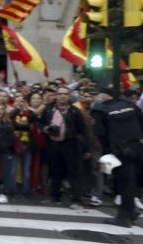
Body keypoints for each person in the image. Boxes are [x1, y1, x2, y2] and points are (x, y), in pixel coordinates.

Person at [91, 87, 143, 227]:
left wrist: (107, 151)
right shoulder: (130, 105)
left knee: (122, 182)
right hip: (137, 147)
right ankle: (131, 210)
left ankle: (123, 217)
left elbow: (99, 133)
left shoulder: (100, 110)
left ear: (103, 96)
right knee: (131, 181)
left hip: (119, 150)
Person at [39, 86, 88, 210]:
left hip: (70, 145)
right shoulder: (49, 110)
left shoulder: (75, 111)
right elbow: (41, 123)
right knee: (55, 172)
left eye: (65, 94)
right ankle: (54, 197)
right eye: (60, 94)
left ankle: (76, 200)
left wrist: (85, 149)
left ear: (69, 96)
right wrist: (46, 129)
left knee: (74, 173)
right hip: (54, 145)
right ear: (56, 95)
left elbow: (82, 130)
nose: (62, 96)